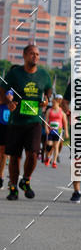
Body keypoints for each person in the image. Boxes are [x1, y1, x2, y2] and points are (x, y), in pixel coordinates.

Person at [2, 44, 52, 200]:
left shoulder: (44, 75)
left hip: (34, 121)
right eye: (32, 53)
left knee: (33, 154)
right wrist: (8, 102)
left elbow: (48, 90)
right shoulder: (15, 74)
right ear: (24, 55)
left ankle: (26, 180)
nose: (35, 56)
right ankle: (13, 188)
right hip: (16, 122)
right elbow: (2, 92)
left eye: (37, 54)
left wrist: (46, 99)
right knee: (15, 157)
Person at [44, 96, 69, 168]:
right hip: (51, 130)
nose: (53, 104)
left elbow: (65, 123)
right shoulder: (49, 111)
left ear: (58, 103)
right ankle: (47, 156)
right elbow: (46, 121)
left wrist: (66, 132)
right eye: (52, 103)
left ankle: (54, 161)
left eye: (54, 103)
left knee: (56, 146)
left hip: (58, 130)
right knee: (49, 145)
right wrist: (46, 128)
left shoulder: (61, 112)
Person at [0, 93, 10, 187]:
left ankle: (1, 176)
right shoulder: (3, 88)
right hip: (1, 124)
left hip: (11, 126)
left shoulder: (17, 88)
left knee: (5, 154)